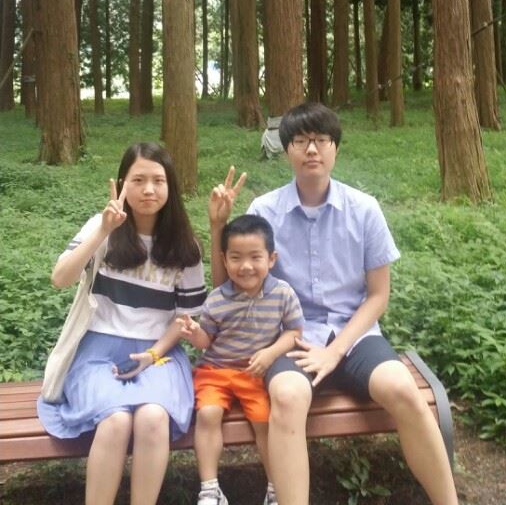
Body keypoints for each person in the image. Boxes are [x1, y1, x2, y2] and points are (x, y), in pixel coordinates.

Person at [209, 102, 460, 505]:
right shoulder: (264, 211)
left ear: (335, 148)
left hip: (355, 336)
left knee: (403, 389)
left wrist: (335, 351)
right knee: (287, 396)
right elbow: (228, 291)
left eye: (321, 140)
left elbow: (378, 295)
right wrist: (217, 226)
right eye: (300, 141)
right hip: (291, 339)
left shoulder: (364, 209)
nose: (311, 149)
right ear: (287, 150)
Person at [38, 142, 207, 505]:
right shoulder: (101, 228)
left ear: (170, 187)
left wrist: (153, 353)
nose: (148, 190)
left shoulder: (185, 247)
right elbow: (60, 278)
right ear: (122, 184)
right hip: (98, 351)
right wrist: (102, 230)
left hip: (159, 353)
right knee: (114, 420)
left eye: (158, 180)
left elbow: (185, 317)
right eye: (138, 180)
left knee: (153, 418)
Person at [177, 214, 303, 505]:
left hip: (255, 373)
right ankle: (210, 489)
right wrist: (194, 334)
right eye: (236, 258)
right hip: (215, 371)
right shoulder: (217, 299)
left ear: (271, 259)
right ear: (224, 260)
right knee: (207, 415)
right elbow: (206, 341)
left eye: (255, 257)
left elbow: (294, 332)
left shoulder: (282, 294)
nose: (246, 266)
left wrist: (271, 353)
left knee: (264, 421)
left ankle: (276, 487)